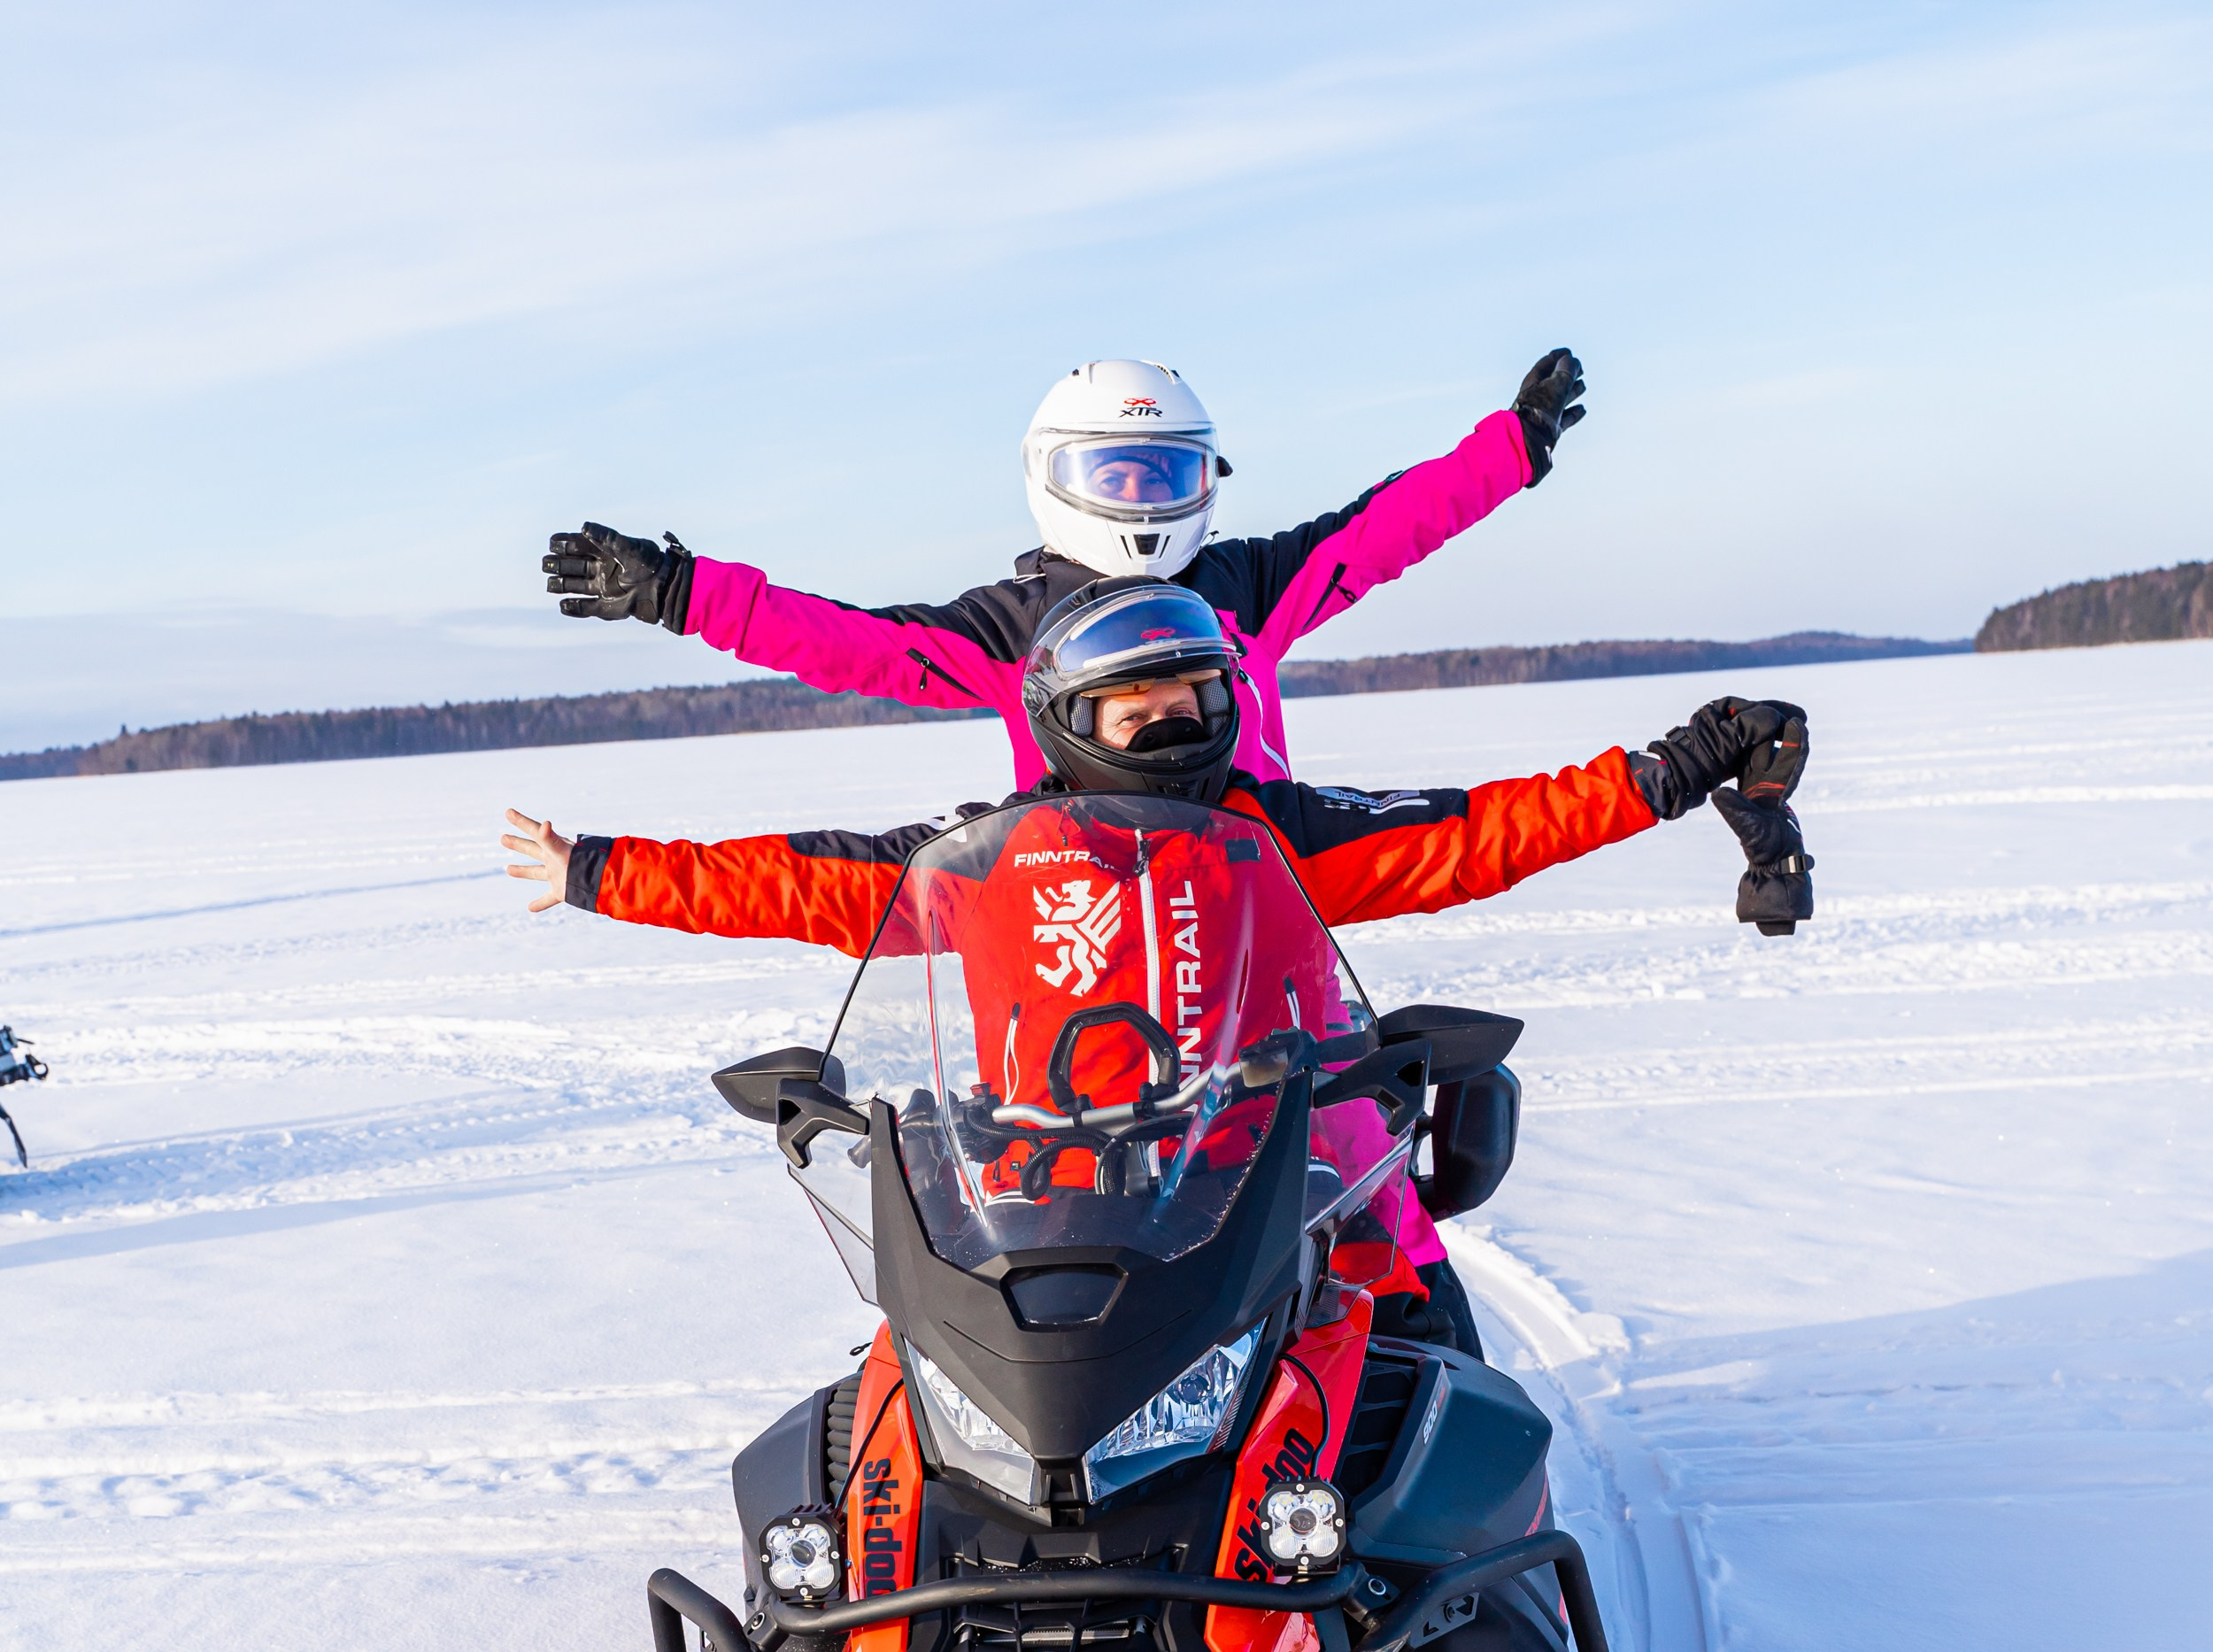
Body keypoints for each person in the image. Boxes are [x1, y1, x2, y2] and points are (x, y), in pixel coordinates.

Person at [502, 583, 1812, 1354]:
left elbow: (1481, 832)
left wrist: (1671, 769)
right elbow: (788, 881)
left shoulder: (1274, 834)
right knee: (899, 1400)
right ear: (1077, 724)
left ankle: (1475, 1636)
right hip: (1041, 1207)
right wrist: (597, 868)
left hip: (1283, 1186)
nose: (1180, 722)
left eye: (1197, 696)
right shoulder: (977, 865)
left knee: (1437, 1368)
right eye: (1147, 709)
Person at [535, 348, 1592, 789]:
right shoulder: (1008, 627)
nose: (1142, 500)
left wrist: (1510, 448)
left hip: (1260, 919)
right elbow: (847, 642)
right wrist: (680, 593)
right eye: (1118, 475)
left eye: (1166, 474)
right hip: (1076, 925)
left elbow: (1382, 527)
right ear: (1057, 478)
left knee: (1359, 1168)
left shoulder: (1245, 589)